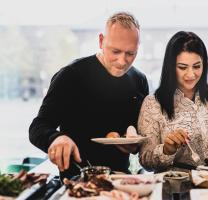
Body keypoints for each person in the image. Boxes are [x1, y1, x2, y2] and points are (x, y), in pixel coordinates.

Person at [29, 12, 149, 179]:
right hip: (77, 181)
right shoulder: (71, 75)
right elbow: (38, 127)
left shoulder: (139, 80)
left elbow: (137, 133)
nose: (122, 61)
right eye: (115, 51)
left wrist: (134, 145)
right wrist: (56, 138)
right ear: (101, 41)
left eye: (130, 54)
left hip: (120, 178)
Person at [138, 31, 208, 172]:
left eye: (197, 66)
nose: (191, 74)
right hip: (175, 188)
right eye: (182, 67)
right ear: (170, 67)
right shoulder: (153, 103)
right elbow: (145, 161)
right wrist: (167, 149)